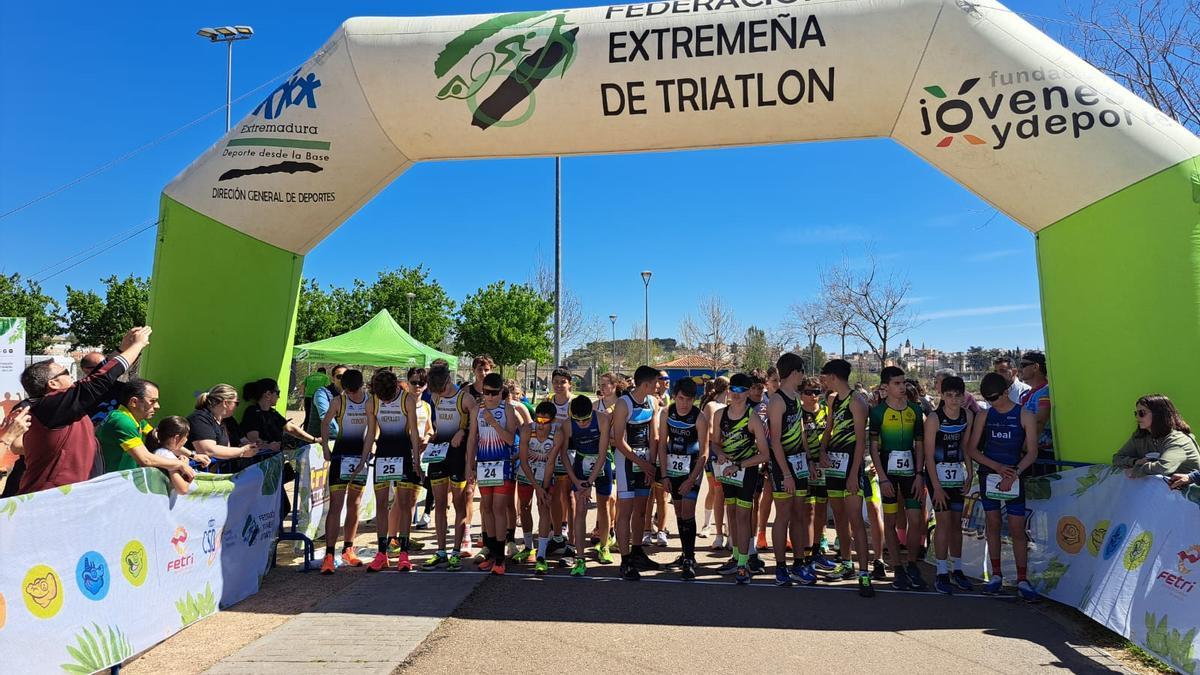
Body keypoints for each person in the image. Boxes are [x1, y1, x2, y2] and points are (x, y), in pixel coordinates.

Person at [17, 327, 151, 494]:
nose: (73, 377)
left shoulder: (60, 406)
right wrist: (137, 346)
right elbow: (99, 379)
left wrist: (122, 349)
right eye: (66, 373)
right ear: (53, 384)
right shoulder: (52, 406)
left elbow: (95, 376)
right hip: (52, 497)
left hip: (70, 493)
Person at [966, 372, 1040, 601]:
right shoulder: (984, 416)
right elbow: (972, 450)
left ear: (1007, 391)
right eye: (988, 399)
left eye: (996, 398)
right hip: (991, 474)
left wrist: (1014, 472)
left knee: (1018, 529)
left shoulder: (1025, 414)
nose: (993, 403)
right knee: (993, 525)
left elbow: (1032, 452)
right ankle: (996, 575)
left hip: (1014, 476)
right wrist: (997, 467)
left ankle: (1022, 579)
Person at [358, 369, 427, 572]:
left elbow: (414, 431)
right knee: (381, 505)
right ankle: (382, 553)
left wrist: (416, 460)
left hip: (403, 454)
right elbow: (371, 433)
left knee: (404, 505)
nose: (385, 401)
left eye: (388, 397)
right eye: (382, 398)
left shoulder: (407, 400)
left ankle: (404, 554)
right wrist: (363, 458)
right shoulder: (372, 402)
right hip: (383, 454)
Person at [819, 359, 875, 597]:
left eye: (825, 377)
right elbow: (829, 428)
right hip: (833, 464)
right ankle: (846, 563)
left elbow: (861, 441)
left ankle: (864, 573)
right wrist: (821, 450)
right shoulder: (832, 400)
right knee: (839, 519)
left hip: (851, 467)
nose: (822, 381)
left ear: (833, 377)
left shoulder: (857, 402)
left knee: (855, 521)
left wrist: (854, 474)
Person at [868, 366, 928, 591]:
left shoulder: (914, 410)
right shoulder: (877, 413)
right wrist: (882, 478)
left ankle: (912, 564)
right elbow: (874, 448)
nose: (902, 387)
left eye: (904, 383)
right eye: (897, 383)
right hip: (889, 475)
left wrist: (919, 473)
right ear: (886, 387)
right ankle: (897, 567)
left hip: (911, 474)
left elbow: (919, 444)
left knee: (915, 520)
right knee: (891, 522)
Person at [711, 372, 771, 585]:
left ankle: (744, 563)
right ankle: (736, 556)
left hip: (746, 471)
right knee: (732, 513)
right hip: (728, 472)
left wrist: (739, 464)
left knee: (744, 516)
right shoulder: (720, 415)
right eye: (732, 389)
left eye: (740, 391)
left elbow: (764, 453)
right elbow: (714, 442)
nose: (735, 394)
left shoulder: (753, 417)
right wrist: (719, 453)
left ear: (747, 393)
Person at [766, 353, 818, 587]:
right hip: (782, 467)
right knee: (783, 516)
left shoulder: (795, 397)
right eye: (802, 371)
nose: (803, 376)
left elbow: (801, 432)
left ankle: (799, 562)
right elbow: (775, 441)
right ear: (795, 372)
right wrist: (786, 473)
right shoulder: (777, 401)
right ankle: (780, 566)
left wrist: (808, 460)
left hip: (799, 464)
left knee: (799, 514)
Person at [922, 375, 975, 594]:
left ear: (964, 397)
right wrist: (937, 486)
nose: (953, 400)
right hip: (937, 476)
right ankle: (942, 571)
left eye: (957, 396)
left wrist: (970, 474)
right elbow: (928, 454)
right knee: (943, 523)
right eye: (949, 396)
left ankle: (958, 569)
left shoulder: (968, 415)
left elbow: (967, 446)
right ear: (941, 396)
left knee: (956, 524)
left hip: (957, 475)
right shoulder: (935, 418)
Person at [611, 365, 662, 580]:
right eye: (656, 383)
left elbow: (654, 434)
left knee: (642, 510)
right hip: (627, 463)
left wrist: (651, 463)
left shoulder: (652, 402)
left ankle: (638, 550)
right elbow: (619, 441)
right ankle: (625, 559)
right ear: (646, 384)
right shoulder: (624, 403)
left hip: (644, 462)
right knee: (626, 511)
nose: (659, 386)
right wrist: (641, 463)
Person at [319, 369, 372, 574]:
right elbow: (325, 423)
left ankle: (348, 549)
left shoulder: (369, 401)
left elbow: (373, 428)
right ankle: (329, 555)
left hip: (360, 455)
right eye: (348, 391)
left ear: (362, 386)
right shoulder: (338, 401)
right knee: (336, 504)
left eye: (355, 391)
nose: (352, 395)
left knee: (355, 503)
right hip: (341, 454)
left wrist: (367, 454)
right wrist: (325, 447)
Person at [421, 365, 474, 571]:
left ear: (449, 380)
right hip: (439, 452)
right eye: (436, 390)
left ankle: (455, 552)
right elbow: (437, 422)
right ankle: (441, 551)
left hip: (458, 455)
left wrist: (463, 430)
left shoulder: (465, 399)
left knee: (459, 504)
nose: (439, 393)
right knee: (440, 503)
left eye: (441, 389)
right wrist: (432, 435)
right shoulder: (434, 397)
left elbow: (475, 427)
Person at [467, 372, 520, 575]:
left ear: (501, 393)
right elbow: (472, 439)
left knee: (499, 508)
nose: (489, 397)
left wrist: (494, 422)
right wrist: (468, 465)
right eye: (486, 393)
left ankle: (500, 556)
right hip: (484, 463)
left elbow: (509, 439)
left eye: (493, 393)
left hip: (503, 463)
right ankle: (491, 552)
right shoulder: (476, 411)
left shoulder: (508, 409)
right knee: (486, 507)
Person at [97, 380, 195, 487]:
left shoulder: (136, 419)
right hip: (110, 484)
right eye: (152, 401)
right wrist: (179, 464)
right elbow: (145, 459)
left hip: (120, 482)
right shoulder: (122, 421)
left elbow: (163, 438)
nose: (157, 406)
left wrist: (192, 455)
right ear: (134, 402)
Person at [656, 377, 707, 580]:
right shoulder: (667, 412)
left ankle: (689, 557)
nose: (684, 403)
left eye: (689, 399)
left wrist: (691, 479)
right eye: (681, 398)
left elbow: (704, 451)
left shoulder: (699, 417)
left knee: (688, 510)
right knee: (678, 511)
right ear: (675, 396)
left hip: (692, 468)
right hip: (673, 468)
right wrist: (664, 474)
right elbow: (661, 444)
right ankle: (685, 553)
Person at [565, 394, 613, 575]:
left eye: (586, 420)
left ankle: (604, 545)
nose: (583, 424)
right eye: (579, 421)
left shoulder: (602, 419)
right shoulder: (567, 425)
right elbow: (564, 455)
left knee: (604, 505)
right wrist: (577, 482)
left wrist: (589, 481)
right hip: (581, 465)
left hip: (601, 466)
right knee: (580, 509)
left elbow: (602, 454)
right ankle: (580, 557)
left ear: (592, 413)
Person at [517, 401, 564, 575]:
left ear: (552, 421)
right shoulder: (528, 429)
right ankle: (528, 546)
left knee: (544, 507)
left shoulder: (557, 433)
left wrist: (542, 488)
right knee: (524, 506)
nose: (541, 425)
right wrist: (536, 486)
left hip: (546, 473)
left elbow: (551, 462)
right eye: (539, 420)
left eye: (545, 421)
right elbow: (522, 459)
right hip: (526, 471)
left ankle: (541, 555)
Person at [1113, 394, 1200, 478]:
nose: (1138, 417)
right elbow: (1117, 459)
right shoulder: (1141, 437)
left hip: (1188, 491)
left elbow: (1164, 468)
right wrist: (1136, 461)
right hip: (1163, 490)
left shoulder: (1179, 440)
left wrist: (1135, 471)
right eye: (1136, 413)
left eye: (1142, 413)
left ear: (1158, 414)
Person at [242, 378, 321, 451]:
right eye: (277, 393)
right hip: (260, 461)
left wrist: (314, 440)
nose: (279, 397)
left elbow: (291, 429)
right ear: (268, 394)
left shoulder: (273, 413)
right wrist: (268, 446)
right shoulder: (252, 413)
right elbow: (253, 440)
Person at [187, 385, 259, 464]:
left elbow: (243, 440)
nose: (236, 406)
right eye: (236, 403)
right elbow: (208, 450)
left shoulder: (229, 420)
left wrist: (252, 445)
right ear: (225, 403)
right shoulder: (199, 419)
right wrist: (241, 451)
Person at [700, 376, 730, 547]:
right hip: (713, 453)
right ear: (727, 389)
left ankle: (726, 527)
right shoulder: (711, 405)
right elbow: (710, 431)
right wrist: (726, 442)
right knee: (715, 490)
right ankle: (707, 525)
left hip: (727, 454)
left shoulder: (729, 407)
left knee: (726, 492)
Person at [153, 416, 210, 494]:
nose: (186, 440)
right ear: (176, 438)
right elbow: (182, 489)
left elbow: (176, 448)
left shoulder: (162, 451)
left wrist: (192, 457)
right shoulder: (166, 456)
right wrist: (184, 465)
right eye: (186, 436)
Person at [1018, 351, 1054, 474]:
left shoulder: (1045, 392)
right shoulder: (1030, 393)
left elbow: (1040, 421)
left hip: (1041, 454)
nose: (1020, 369)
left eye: (1023, 365)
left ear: (1035, 367)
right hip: (1030, 453)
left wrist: (1024, 448)